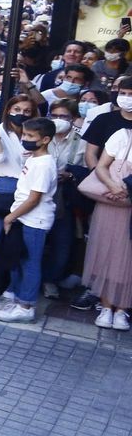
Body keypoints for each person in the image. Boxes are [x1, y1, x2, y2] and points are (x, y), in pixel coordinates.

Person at [0, 117, 57, 324]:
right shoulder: (34, 159)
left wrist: (11, 216)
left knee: (30, 263)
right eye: (24, 135)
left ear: (45, 139)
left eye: (30, 136)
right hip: (24, 218)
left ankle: (26, 306)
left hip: (35, 221)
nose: (25, 139)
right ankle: (18, 300)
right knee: (21, 260)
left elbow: (34, 198)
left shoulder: (44, 164)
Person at [83, 123, 132, 330]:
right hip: (110, 202)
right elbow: (101, 165)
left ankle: (122, 309)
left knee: (127, 257)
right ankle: (105, 306)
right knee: (105, 250)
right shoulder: (122, 135)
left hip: (127, 202)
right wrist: (113, 186)